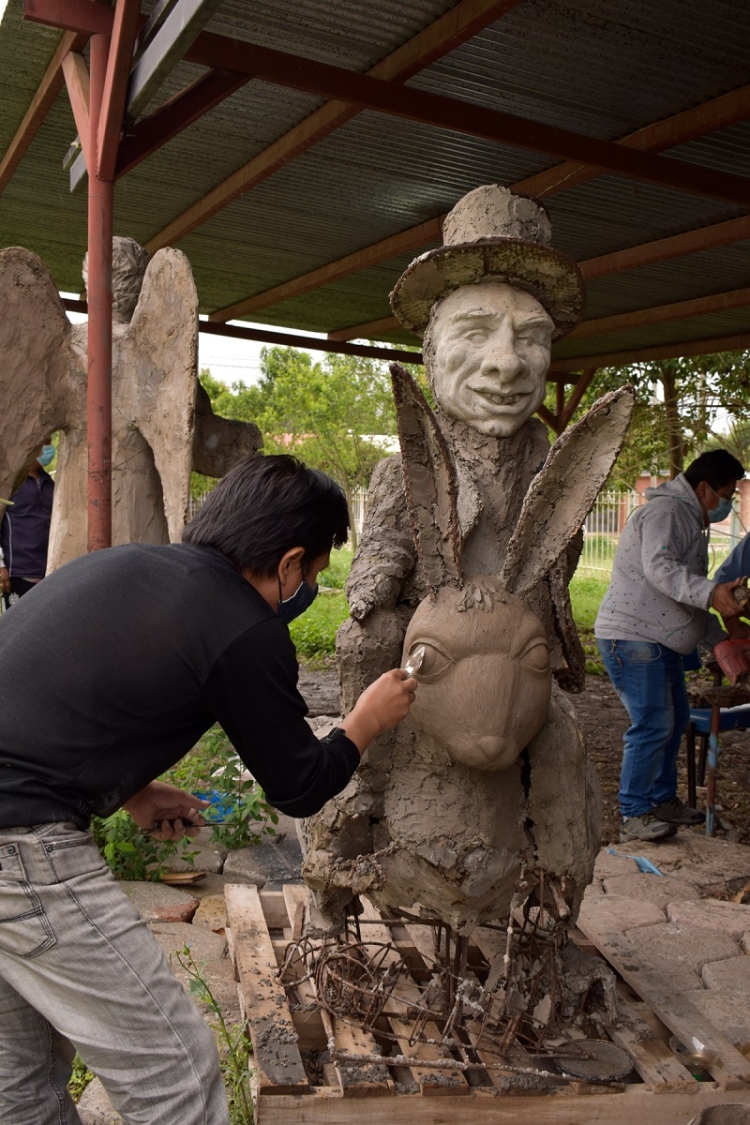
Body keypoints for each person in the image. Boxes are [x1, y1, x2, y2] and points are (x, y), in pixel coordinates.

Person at [0, 454, 417, 1125]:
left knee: (21, 1078)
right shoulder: (242, 623)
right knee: (175, 1075)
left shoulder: (130, 566)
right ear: (289, 563)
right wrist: (363, 723)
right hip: (18, 847)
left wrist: (133, 792)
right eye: (312, 574)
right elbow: (299, 786)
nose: (309, 587)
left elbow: (58, 698)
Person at [595, 449, 746, 843]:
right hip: (635, 637)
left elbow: (684, 600)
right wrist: (712, 593)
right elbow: (660, 570)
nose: (728, 504)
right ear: (704, 489)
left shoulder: (687, 520)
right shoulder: (668, 512)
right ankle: (633, 813)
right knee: (653, 725)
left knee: (674, 722)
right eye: (726, 495)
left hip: (657, 641)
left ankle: (661, 801)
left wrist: (724, 641)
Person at [0, 440, 55, 610]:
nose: (49, 448)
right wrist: (1, 566)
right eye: (45, 442)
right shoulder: (10, 482)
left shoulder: (49, 483)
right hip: (17, 571)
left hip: (48, 572)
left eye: (50, 442)